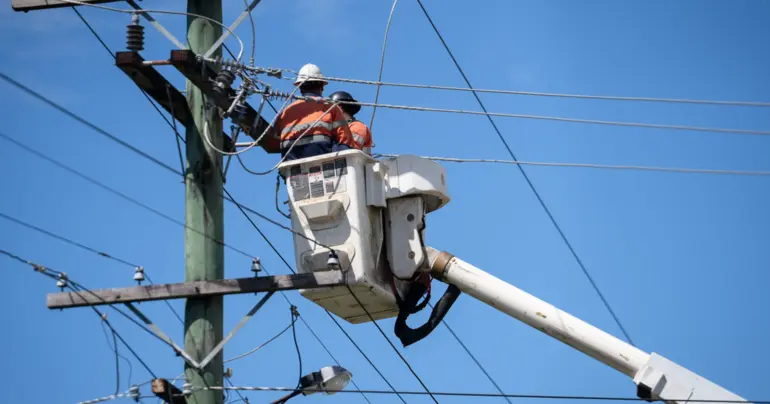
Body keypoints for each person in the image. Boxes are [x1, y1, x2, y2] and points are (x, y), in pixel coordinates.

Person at [274, 64, 358, 161]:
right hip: (324, 164)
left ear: (300, 87)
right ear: (322, 86)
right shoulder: (330, 107)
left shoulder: (285, 112)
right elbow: (345, 142)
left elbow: (274, 141)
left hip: (292, 166)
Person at [329, 91, 372, 155]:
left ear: (339, 108)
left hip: (356, 163)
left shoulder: (358, 127)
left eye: (329, 109)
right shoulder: (337, 129)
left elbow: (350, 150)